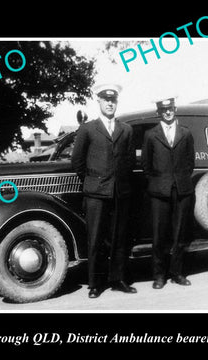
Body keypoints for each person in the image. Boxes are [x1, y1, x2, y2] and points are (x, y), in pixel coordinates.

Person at [71, 83, 137, 298]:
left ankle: (118, 279)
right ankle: (95, 284)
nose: (110, 103)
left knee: (120, 238)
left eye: (113, 99)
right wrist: (93, 182)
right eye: (105, 99)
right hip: (96, 193)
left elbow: (128, 161)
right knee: (96, 239)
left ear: (116, 102)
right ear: (98, 101)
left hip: (121, 193)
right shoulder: (87, 129)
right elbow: (77, 162)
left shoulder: (126, 130)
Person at [141, 97, 195, 289]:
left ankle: (177, 273)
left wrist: (179, 180)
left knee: (180, 235)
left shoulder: (186, 133)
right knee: (159, 236)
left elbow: (190, 162)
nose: (168, 113)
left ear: (175, 108)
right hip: (159, 192)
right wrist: (158, 182)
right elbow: (146, 165)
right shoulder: (150, 135)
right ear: (158, 112)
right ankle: (159, 276)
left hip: (182, 190)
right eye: (164, 110)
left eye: (170, 109)